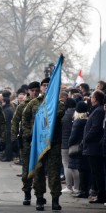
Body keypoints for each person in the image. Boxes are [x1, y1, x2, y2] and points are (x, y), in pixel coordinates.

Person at [22, 77, 65, 211]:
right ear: (41, 87)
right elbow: (25, 117)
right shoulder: (33, 103)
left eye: (49, 85)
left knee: (53, 172)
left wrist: (50, 103)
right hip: (38, 142)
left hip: (53, 143)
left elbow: (57, 114)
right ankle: (39, 198)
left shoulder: (58, 104)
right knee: (39, 171)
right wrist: (28, 133)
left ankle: (55, 199)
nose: (46, 87)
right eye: (44, 85)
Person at [11, 81, 40, 206]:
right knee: (26, 169)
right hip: (26, 141)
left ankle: (39, 194)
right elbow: (15, 122)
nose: (34, 92)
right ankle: (27, 192)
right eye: (32, 90)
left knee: (39, 169)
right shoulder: (23, 105)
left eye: (36, 90)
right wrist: (13, 139)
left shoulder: (43, 103)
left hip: (40, 141)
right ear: (28, 91)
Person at [82, 90, 105, 204]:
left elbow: (95, 128)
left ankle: (100, 196)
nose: (90, 99)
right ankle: (98, 194)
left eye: (91, 97)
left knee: (98, 172)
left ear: (95, 99)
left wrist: (85, 139)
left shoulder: (99, 111)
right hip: (92, 147)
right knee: (96, 172)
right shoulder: (96, 110)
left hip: (94, 147)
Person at [68, 101, 88, 197]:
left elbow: (73, 136)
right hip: (85, 147)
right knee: (85, 170)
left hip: (78, 148)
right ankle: (84, 189)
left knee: (80, 169)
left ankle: (82, 190)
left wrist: (69, 144)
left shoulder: (77, 122)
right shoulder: (87, 120)